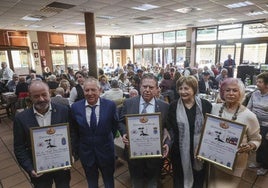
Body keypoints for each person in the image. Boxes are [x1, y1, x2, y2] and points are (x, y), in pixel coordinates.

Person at [13, 80, 71, 188]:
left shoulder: (64, 111)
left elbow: (73, 135)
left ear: (50, 93)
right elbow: (19, 147)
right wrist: (29, 167)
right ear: (30, 97)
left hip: (62, 166)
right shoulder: (21, 119)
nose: (41, 99)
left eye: (44, 94)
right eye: (36, 96)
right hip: (38, 170)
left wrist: (72, 155)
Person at [119, 73, 170, 188]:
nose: (147, 90)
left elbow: (169, 128)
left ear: (157, 89)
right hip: (134, 153)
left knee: (153, 182)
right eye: (144, 86)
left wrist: (167, 143)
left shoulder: (164, 107)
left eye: (151, 87)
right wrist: (124, 133)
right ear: (139, 87)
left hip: (155, 155)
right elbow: (121, 122)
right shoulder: (129, 103)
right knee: (136, 182)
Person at [208, 78, 261, 187]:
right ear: (222, 92)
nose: (231, 93)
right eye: (227, 90)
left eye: (235, 90)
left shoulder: (249, 116)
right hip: (214, 160)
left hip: (235, 164)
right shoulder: (214, 109)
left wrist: (250, 145)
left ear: (241, 93)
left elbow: (256, 139)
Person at [70, 77, 118, 188]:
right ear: (83, 91)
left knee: (109, 181)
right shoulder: (75, 107)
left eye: (93, 90)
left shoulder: (110, 105)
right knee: (91, 182)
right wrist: (77, 149)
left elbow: (114, 127)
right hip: (86, 152)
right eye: (87, 90)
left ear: (100, 90)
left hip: (106, 150)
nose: (90, 93)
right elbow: (75, 131)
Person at [167, 76, 212, 188]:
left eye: (186, 88)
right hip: (179, 151)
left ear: (194, 89)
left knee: (198, 178)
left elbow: (210, 128)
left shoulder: (206, 105)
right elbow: (170, 127)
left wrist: (202, 145)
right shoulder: (173, 106)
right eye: (180, 88)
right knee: (179, 179)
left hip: (199, 150)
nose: (182, 92)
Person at [247, 72, 268, 175]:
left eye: (260, 82)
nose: (257, 83)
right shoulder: (254, 93)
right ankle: (259, 162)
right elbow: (248, 108)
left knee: (264, 145)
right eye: (257, 81)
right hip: (254, 124)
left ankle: (265, 166)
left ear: (267, 84)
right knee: (256, 143)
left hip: (266, 125)